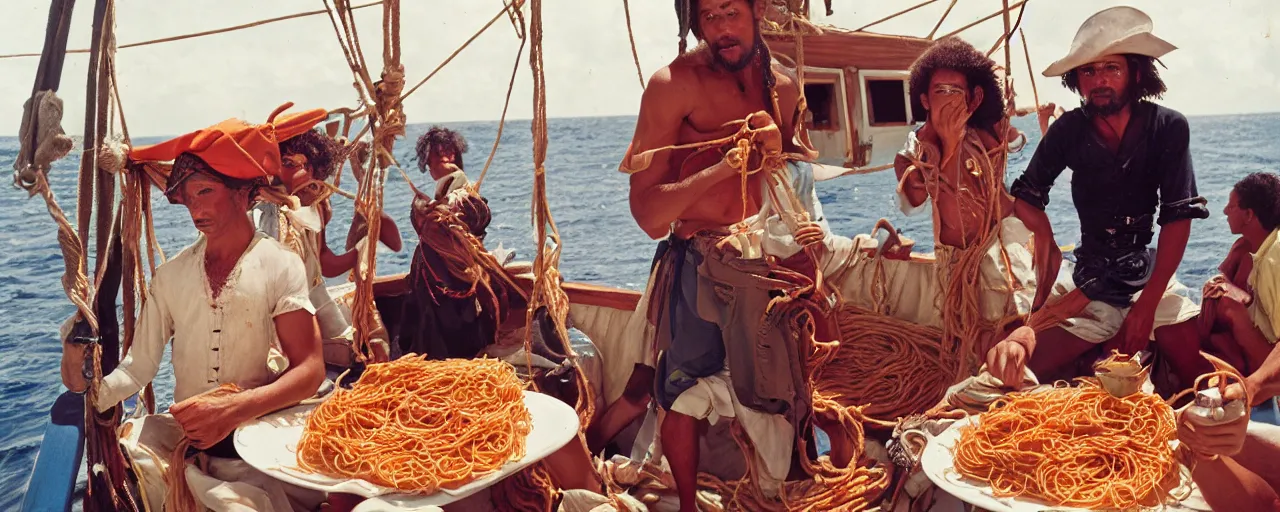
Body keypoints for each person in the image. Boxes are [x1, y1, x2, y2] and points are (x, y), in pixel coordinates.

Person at [615, 0, 838, 508]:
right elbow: (648, 216)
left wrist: (807, 248)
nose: (721, 29)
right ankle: (690, 506)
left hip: (768, 264)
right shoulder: (673, 86)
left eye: (730, 12)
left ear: (758, 10)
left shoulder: (784, 88)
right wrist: (723, 165)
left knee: (791, 388)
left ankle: (786, 492)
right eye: (708, 17)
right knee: (683, 394)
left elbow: (793, 183)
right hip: (698, 264)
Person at [59, 114, 327, 511]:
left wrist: (234, 408)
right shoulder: (171, 276)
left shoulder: (280, 264)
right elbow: (138, 369)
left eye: (204, 192)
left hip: (255, 445)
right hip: (190, 448)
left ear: (242, 194)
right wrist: (89, 386)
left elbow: (310, 369)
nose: (194, 209)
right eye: (188, 198)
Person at [1008, 6, 1211, 386]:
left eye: (1111, 69)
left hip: (1148, 275)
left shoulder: (1168, 127)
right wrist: (1046, 239)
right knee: (1023, 374)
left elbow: (1177, 218)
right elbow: (1026, 197)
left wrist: (1147, 307)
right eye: (1089, 70)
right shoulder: (1068, 130)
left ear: (1135, 73)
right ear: (1077, 80)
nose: (1099, 80)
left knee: (1194, 373)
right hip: (1091, 276)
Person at [892, 36, 1040, 385]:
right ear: (925, 99)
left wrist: (999, 124)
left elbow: (1016, 143)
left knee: (1015, 331)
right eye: (941, 90)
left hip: (1001, 254)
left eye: (959, 91)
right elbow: (913, 198)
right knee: (973, 344)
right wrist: (950, 143)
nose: (951, 99)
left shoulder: (987, 136)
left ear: (973, 97)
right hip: (957, 269)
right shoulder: (914, 154)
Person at [259, 124, 403, 364]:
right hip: (277, 314)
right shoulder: (265, 213)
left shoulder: (316, 209)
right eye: (290, 164)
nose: (301, 174)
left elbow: (325, 264)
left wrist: (361, 253)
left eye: (306, 166)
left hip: (316, 296)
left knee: (356, 352)